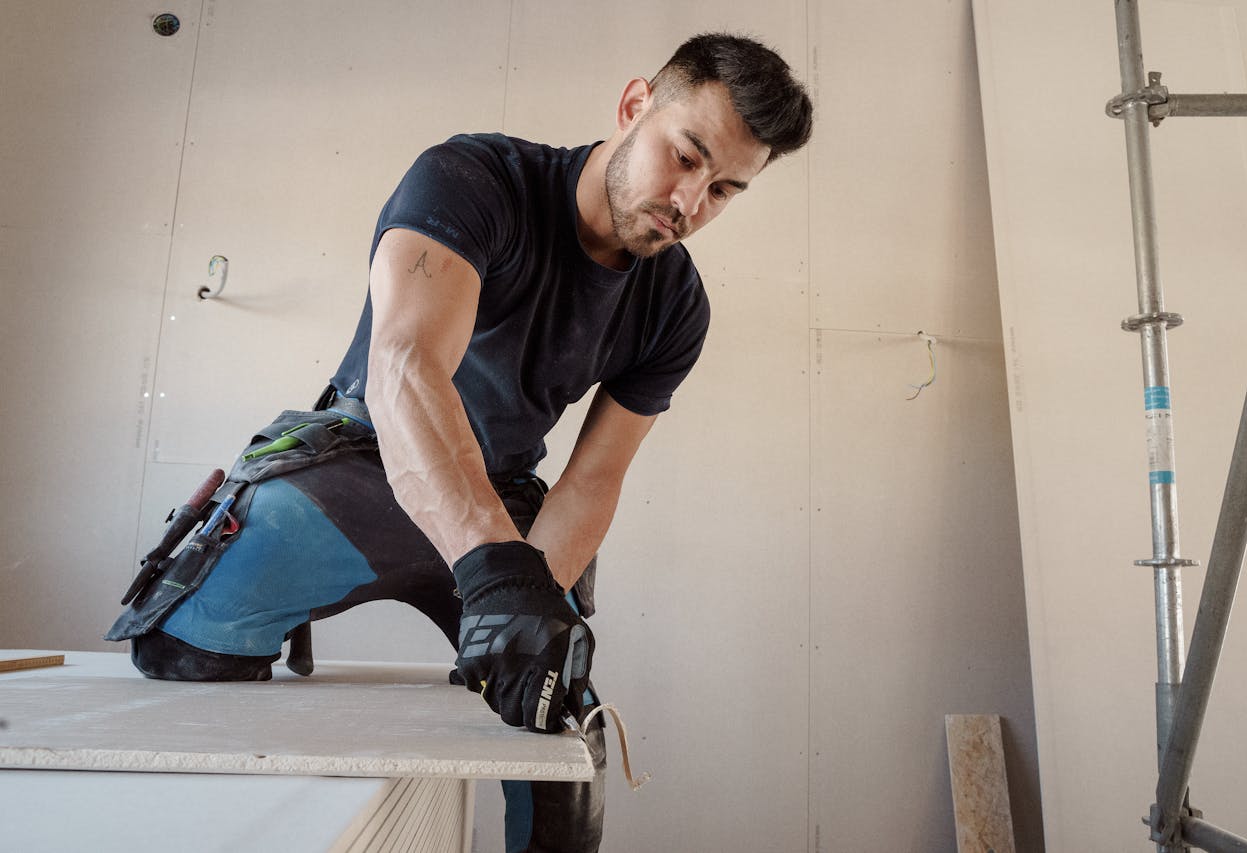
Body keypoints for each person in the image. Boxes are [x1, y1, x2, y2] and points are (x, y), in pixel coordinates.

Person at [107, 32, 812, 852]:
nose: (691, 202)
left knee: (553, 714)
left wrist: (526, 607)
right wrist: (493, 571)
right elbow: (405, 368)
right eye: (686, 157)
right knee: (181, 651)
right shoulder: (472, 180)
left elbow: (594, 479)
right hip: (363, 464)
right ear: (633, 106)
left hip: (504, 497)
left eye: (724, 189)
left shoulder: (675, 307)